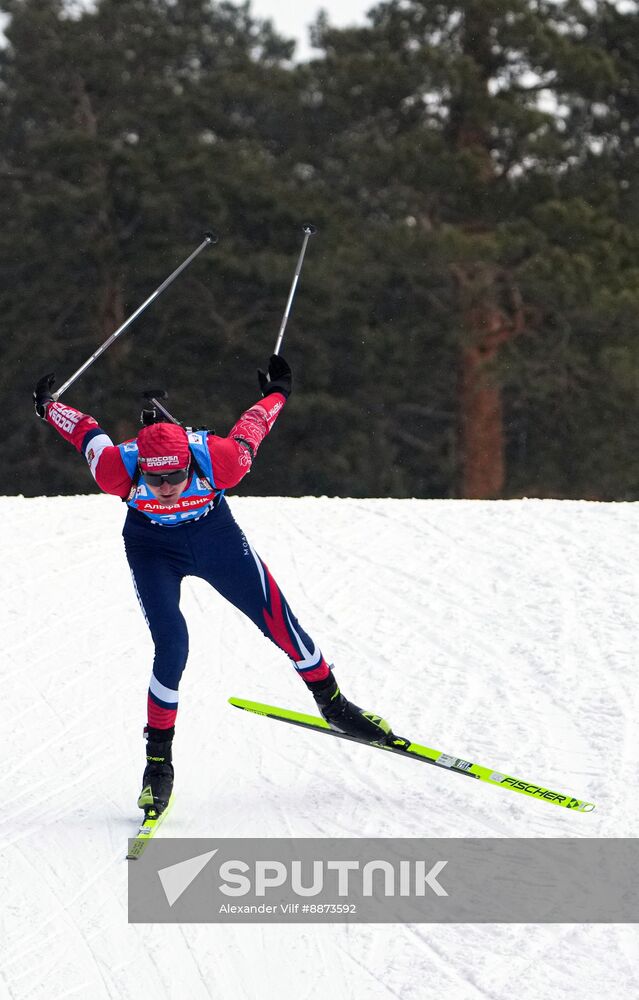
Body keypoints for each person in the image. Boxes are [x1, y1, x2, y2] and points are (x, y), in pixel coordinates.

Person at [33, 356, 397, 818]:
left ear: (188, 461)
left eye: (174, 477)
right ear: (140, 465)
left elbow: (252, 428)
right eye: (154, 477)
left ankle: (333, 703)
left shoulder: (219, 460)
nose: (165, 487)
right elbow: (86, 432)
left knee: (279, 622)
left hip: (214, 538)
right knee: (172, 646)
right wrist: (48, 407)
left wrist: (276, 393)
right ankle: (158, 764)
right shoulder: (115, 468)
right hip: (152, 548)